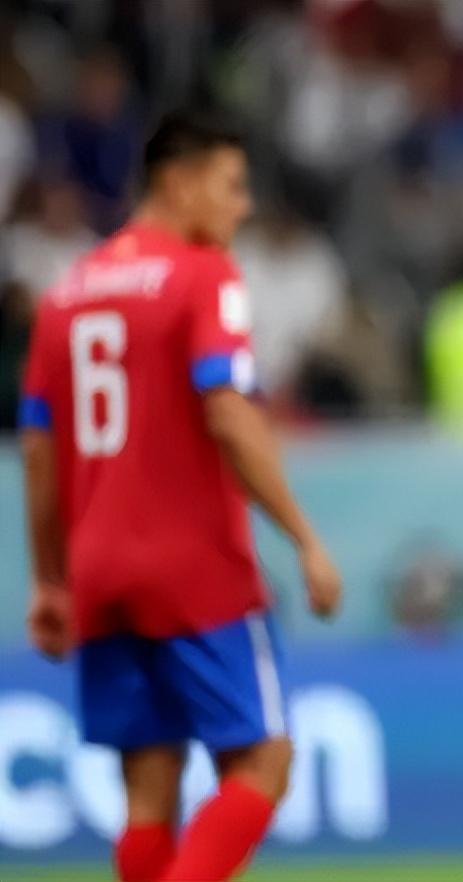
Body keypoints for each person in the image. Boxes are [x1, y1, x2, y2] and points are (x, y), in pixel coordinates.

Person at [19, 111, 343, 882]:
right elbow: (227, 411)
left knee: (147, 793)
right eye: (231, 186)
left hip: (99, 569)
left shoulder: (66, 293)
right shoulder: (203, 274)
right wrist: (303, 537)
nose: (243, 206)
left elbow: (38, 449)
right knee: (263, 760)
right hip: (193, 565)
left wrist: (51, 578)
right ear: (178, 182)